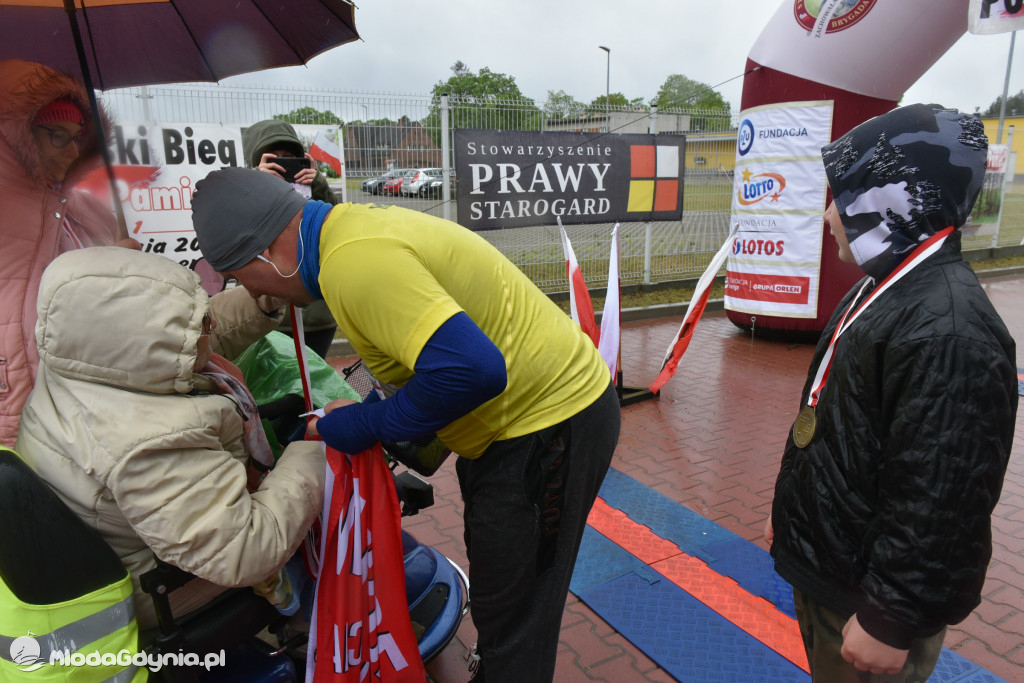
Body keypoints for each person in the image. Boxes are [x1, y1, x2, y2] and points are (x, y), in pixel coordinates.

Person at [188, 167, 621, 683]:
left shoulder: (354, 265)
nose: (248, 288)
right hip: (521, 425)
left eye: (239, 275)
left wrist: (371, 423)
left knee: (518, 613)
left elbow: (472, 369)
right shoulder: (343, 238)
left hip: (551, 423)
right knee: (501, 594)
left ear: (267, 253)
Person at [764, 104, 1018, 681]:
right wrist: (794, 510)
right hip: (838, 564)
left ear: (894, 202)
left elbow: (944, 489)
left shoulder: (949, 329)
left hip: (867, 598)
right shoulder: (888, 288)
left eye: (844, 198)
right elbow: (834, 421)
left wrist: (892, 615)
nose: (829, 215)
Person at [15, 247, 327, 630]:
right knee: (328, 549)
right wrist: (315, 448)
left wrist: (263, 296)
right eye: (199, 327)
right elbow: (244, 550)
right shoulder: (146, 442)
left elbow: (184, 345)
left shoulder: (83, 360)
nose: (207, 331)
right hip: (153, 588)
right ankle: (315, 633)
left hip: (113, 552)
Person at [0, 58, 141, 448]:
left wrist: (124, 265)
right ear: (19, 136)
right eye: (56, 135)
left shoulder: (88, 208)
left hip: (79, 397)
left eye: (79, 135)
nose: (72, 149)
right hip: (13, 394)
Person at [242, 119, 339, 358]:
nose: (281, 164)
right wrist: (255, 182)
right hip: (267, 315)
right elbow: (234, 237)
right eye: (272, 158)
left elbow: (338, 226)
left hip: (316, 316)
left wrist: (318, 184)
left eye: (288, 156)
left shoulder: (312, 189)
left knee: (313, 383)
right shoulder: (242, 191)